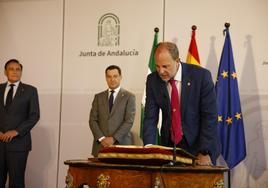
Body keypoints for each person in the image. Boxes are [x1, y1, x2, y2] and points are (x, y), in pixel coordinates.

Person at [142, 42, 220, 165]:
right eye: (157, 66)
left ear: (177, 61)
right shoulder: (153, 80)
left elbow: (209, 117)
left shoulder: (201, 76)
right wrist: (149, 147)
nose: (161, 71)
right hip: (169, 147)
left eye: (165, 66)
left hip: (198, 146)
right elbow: (150, 118)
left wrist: (205, 152)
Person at [0, 59, 40, 188]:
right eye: (11, 69)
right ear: (5, 72)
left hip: (19, 143)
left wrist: (16, 131)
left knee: (16, 182)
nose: (15, 72)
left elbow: (34, 115)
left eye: (18, 69)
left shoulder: (30, 90)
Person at [89, 65, 136, 157]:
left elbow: (129, 121)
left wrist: (113, 138)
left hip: (121, 145)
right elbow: (92, 120)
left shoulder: (129, 97)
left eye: (115, 76)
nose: (112, 79)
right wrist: (102, 138)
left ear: (120, 77)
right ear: (106, 78)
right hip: (100, 146)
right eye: (109, 76)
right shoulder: (98, 97)